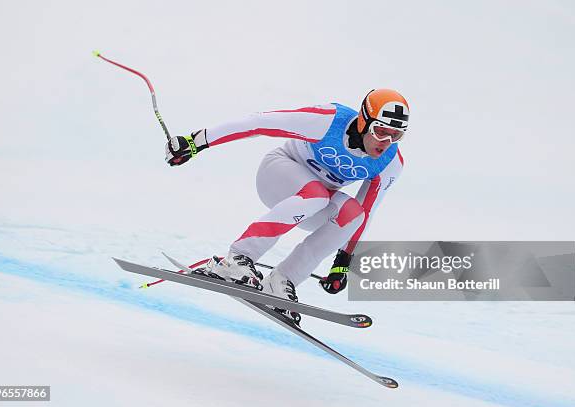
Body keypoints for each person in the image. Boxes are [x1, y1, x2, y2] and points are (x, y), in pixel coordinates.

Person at [165, 89, 409, 324]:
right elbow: (258, 123)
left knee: (354, 214)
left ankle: (282, 281)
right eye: (380, 131)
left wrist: (342, 262)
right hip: (278, 173)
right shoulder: (328, 121)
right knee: (317, 195)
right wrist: (196, 141)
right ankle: (237, 259)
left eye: (396, 135)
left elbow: (369, 207)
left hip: (314, 201)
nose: (386, 142)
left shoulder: (390, 162)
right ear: (363, 122)